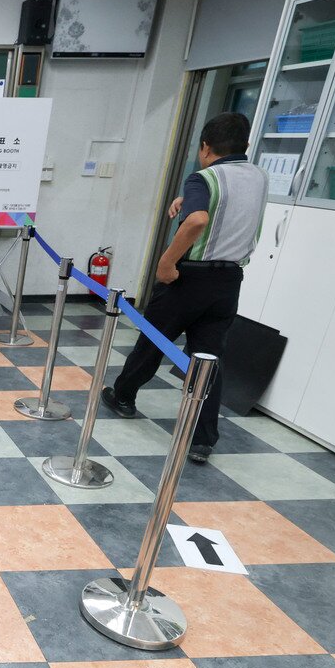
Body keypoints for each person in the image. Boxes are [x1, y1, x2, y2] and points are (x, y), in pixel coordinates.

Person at [101, 112, 269, 464]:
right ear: (246, 145)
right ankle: (203, 439)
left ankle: (124, 397)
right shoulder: (258, 177)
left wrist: (166, 262)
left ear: (206, 147)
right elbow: (223, 208)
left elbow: (198, 219)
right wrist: (187, 199)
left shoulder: (204, 177)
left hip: (189, 276)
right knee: (208, 358)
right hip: (228, 281)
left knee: (153, 340)